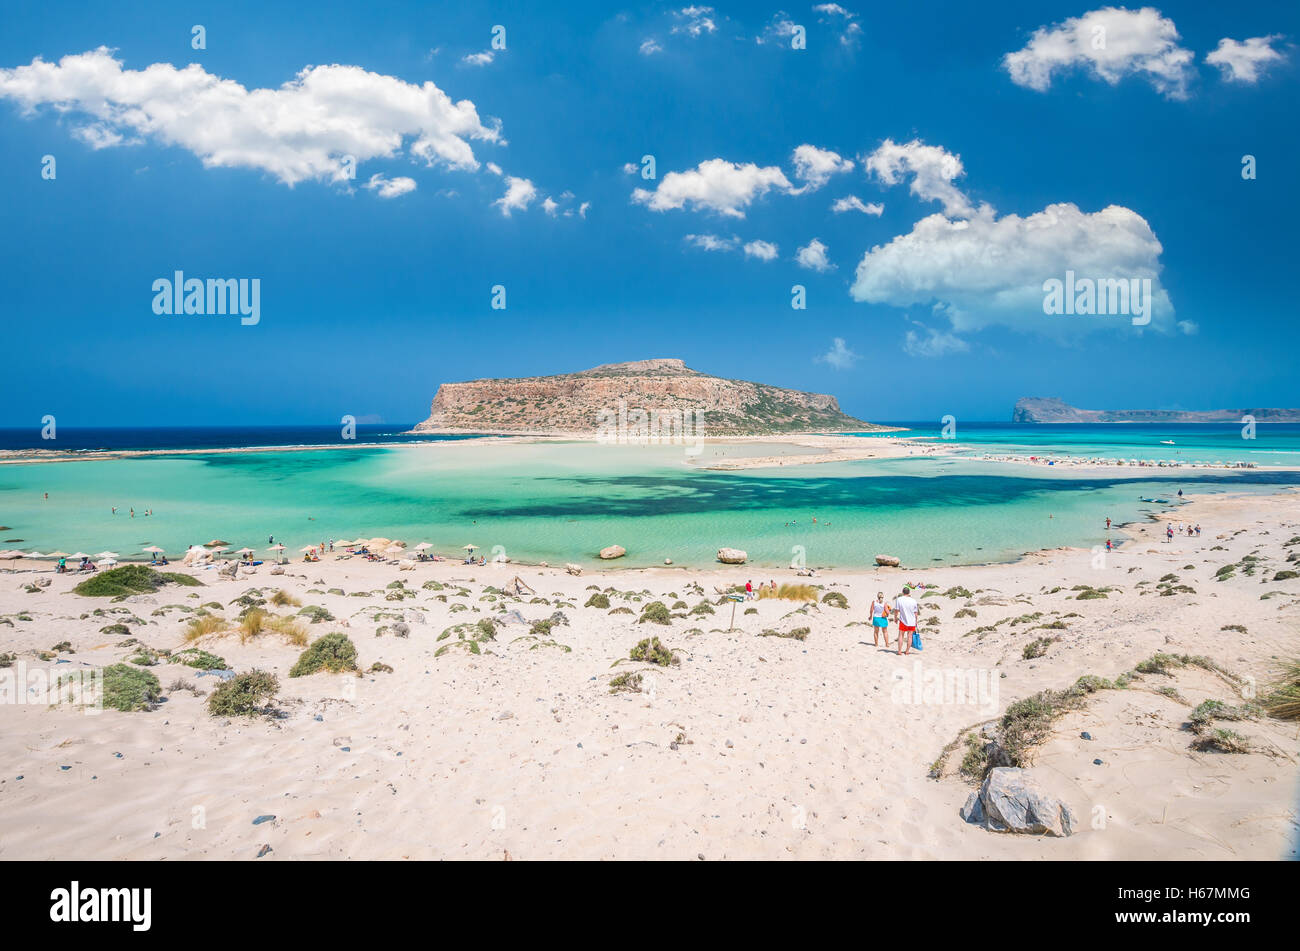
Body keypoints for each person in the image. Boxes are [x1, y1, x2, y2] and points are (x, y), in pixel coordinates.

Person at [893, 586, 920, 655]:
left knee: (901, 635)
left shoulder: (899, 599)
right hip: (912, 621)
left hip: (903, 621)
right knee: (910, 636)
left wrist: (895, 618)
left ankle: (899, 651)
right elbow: (916, 613)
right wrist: (916, 622)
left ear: (902, 592)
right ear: (909, 593)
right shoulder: (913, 600)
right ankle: (907, 651)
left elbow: (896, 610)